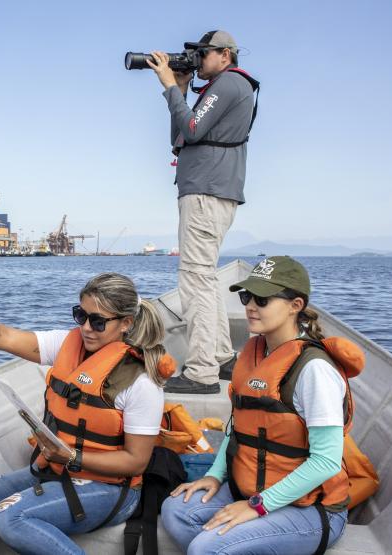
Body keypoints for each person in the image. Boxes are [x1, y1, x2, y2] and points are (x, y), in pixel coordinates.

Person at [0, 273, 174, 555]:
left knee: (10, 517)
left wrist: (72, 457)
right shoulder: (67, 344)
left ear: (126, 323)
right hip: (57, 470)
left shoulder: (141, 382)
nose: (86, 328)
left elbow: (136, 462)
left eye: (98, 321)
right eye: (81, 316)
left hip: (113, 490)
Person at [161, 256, 362, 554]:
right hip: (250, 488)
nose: (251, 306)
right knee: (175, 511)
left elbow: (326, 462)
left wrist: (257, 506)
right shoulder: (254, 353)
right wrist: (215, 475)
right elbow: (236, 429)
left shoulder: (314, 371)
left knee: (205, 548)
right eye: (247, 297)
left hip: (312, 509)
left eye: (263, 299)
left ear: (295, 305)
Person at [147, 30, 260, 394]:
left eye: (202, 53)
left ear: (225, 55)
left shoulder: (228, 83)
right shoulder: (224, 87)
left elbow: (193, 130)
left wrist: (168, 85)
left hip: (205, 193)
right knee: (205, 279)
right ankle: (222, 357)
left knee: (195, 280)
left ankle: (201, 373)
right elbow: (180, 135)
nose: (197, 60)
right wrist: (179, 90)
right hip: (210, 191)